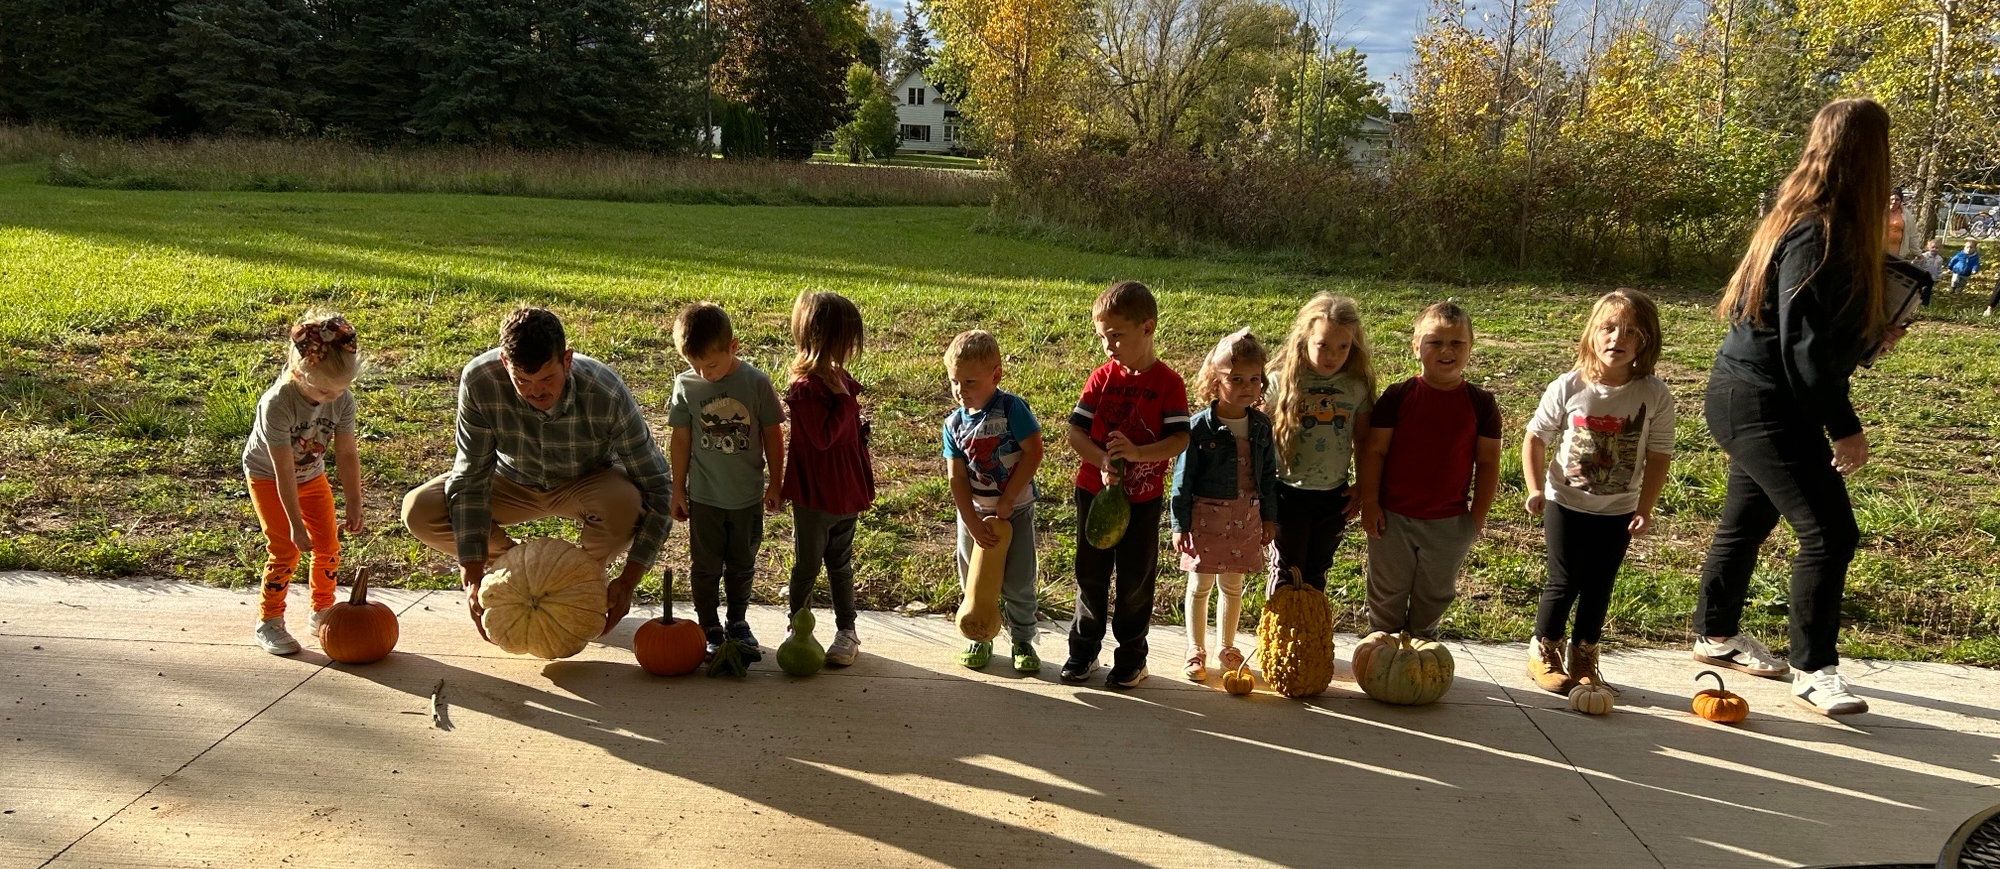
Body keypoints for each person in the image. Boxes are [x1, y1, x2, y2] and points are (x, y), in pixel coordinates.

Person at [1694, 98, 1911, 716]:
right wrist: (1846, 429)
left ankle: (1714, 634)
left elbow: (1807, 334)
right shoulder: (1821, 230)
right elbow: (1804, 347)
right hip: (1761, 402)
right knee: (1830, 532)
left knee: (1746, 521)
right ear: (1871, 156)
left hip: (1752, 394)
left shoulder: (1806, 219)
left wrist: (1871, 336)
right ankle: (1814, 669)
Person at [402, 306, 672, 642]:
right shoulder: (479, 380)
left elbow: (659, 487)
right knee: (420, 510)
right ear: (504, 362)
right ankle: (513, 568)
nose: (536, 392)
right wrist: (472, 574)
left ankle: (581, 580)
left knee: (626, 503)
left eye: (547, 379)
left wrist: (629, 580)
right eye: (522, 381)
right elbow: (470, 477)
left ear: (567, 360)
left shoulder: (606, 392)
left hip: (587, 481)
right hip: (510, 479)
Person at [1520, 290, 1675, 693]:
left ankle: (1584, 653)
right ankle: (1545, 650)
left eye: (1630, 332)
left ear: (1646, 341)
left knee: (1600, 581)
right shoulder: (1570, 385)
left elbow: (1659, 456)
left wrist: (1646, 507)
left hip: (1619, 508)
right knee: (1564, 578)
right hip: (1565, 501)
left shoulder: (1654, 394)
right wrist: (1536, 489)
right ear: (1592, 333)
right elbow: (1536, 437)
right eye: (1607, 328)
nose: (1616, 339)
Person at [1063, 280, 1192, 689]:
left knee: (1135, 580)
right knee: (1091, 574)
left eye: (1116, 336)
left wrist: (1137, 454)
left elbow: (1179, 438)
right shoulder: (1101, 379)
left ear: (1147, 327)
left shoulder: (1168, 383)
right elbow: (1075, 432)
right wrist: (1101, 458)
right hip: (1094, 492)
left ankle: (1132, 659)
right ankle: (1083, 652)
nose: (1109, 347)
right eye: (1103, 337)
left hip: (1142, 498)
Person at [1356, 302, 1502, 639]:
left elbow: (1489, 462)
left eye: (1456, 343)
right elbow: (1375, 451)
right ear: (1416, 347)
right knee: (1386, 592)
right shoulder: (1398, 396)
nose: (1446, 351)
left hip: (1449, 523)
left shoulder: (1481, 403)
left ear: (1470, 348)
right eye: (1435, 342)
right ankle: (1381, 648)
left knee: (1433, 594)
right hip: (1392, 519)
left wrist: (1475, 518)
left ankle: (1422, 649)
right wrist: (1370, 502)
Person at [668, 302, 785, 661]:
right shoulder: (687, 385)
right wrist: (677, 489)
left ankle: (737, 621)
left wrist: (776, 483)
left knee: (741, 564)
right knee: (705, 566)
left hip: (747, 497)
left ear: (733, 347)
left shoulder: (755, 383)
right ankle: (708, 625)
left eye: (713, 365)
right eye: (695, 366)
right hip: (705, 497)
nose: (705, 374)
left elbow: (772, 435)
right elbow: (681, 439)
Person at [243, 312, 365, 655]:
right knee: (285, 549)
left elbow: (346, 453)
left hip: (311, 474)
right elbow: (282, 471)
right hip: (269, 476)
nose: (332, 396)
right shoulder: (277, 404)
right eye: (324, 389)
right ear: (299, 372)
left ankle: (322, 610)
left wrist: (354, 503)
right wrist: (296, 525)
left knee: (328, 544)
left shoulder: (341, 399)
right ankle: (269, 620)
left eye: (341, 388)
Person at [1169, 329, 1278, 682]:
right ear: (1215, 381)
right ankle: (1195, 649)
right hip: (1206, 518)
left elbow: (1269, 476)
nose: (1247, 386)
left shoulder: (1261, 426)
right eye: (1235, 379)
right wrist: (1178, 523)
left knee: (1232, 585)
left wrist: (1269, 518)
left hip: (1245, 516)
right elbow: (1182, 479)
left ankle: (1226, 646)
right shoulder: (1200, 427)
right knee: (1200, 584)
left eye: (1254, 379)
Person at [941, 329, 1045, 672]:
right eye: (955, 381)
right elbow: (956, 476)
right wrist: (969, 520)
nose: (961, 390)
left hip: (1013, 511)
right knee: (975, 579)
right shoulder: (954, 423)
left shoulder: (1011, 408)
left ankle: (1023, 638)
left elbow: (1033, 452)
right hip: (974, 515)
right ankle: (979, 634)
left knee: (1017, 578)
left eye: (970, 381)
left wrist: (1010, 496)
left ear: (995, 375)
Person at [781, 291, 874, 667]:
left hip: (845, 490)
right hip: (816, 496)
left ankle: (847, 630)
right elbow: (822, 438)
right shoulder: (805, 390)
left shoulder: (840, 380)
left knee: (841, 563)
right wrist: (845, 403)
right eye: (848, 338)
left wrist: (854, 415)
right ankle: (797, 627)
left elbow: (849, 433)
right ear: (826, 338)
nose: (852, 346)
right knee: (807, 563)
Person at [1264, 293, 1376, 594]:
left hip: (1333, 495)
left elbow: (1364, 438)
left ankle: (1309, 636)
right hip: (1286, 492)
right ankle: (1280, 636)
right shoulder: (1280, 381)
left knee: (1317, 570)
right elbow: (1257, 437)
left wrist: (1363, 486)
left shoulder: (1356, 386)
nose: (1332, 355)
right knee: (1288, 569)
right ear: (1305, 338)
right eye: (1322, 345)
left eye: (1343, 347)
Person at [1913, 238, 1944, 306]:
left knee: (1928, 290)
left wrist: (1938, 277)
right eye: (1933, 247)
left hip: (1931, 277)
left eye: (1937, 248)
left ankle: (1925, 303)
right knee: (1919, 289)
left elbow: (1939, 269)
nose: (1934, 249)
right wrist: (1916, 262)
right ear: (1928, 247)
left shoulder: (1939, 259)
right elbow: (1916, 263)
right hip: (1922, 276)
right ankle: (1915, 302)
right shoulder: (1924, 256)